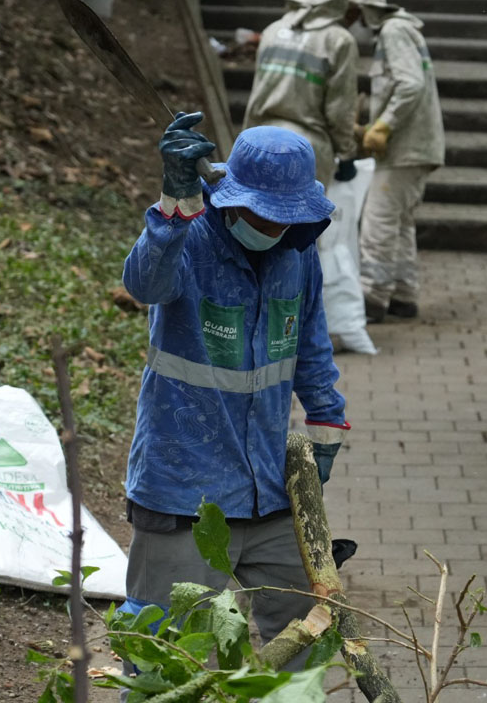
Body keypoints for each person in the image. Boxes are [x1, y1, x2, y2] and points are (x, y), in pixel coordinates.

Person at [118, 112, 349, 667]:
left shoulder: (297, 251)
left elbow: (311, 340)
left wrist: (326, 416)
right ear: (231, 198)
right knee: (169, 658)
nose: (271, 228)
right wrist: (172, 207)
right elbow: (143, 284)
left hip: (268, 489)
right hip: (182, 494)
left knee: (310, 641)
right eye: (261, 215)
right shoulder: (187, 239)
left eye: (284, 217)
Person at [352, 0, 444, 324]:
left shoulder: (393, 31)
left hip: (406, 148)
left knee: (378, 220)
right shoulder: (401, 30)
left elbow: (410, 84)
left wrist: (384, 125)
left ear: (364, 11)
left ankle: (372, 297)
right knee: (401, 223)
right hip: (415, 147)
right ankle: (404, 296)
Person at [243, 0, 361, 188]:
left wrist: (245, 140)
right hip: (305, 149)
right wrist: (346, 152)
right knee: (298, 218)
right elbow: (340, 108)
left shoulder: (272, 31)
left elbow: (256, 93)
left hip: (260, 140)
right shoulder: (339, 40)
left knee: (256, 216)